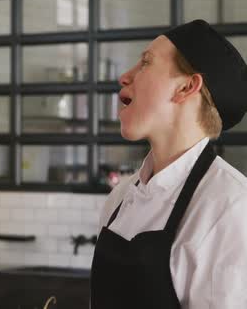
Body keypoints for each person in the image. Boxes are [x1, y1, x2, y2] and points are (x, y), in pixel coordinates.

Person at [91, 19, 247, 309]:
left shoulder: (230, 208)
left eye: (145, 63)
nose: (125, 76)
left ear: (187, 86)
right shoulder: (120, 198)